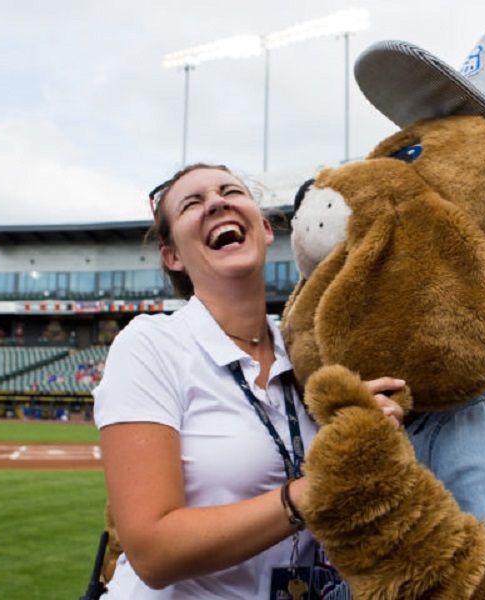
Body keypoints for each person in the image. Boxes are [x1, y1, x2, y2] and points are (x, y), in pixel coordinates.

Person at [93, 164, 405, 599]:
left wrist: (366, 430)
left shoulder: (308, 353)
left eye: (229, 191)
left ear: (263, 227)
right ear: (173, 257)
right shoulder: (152, 345)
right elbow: (153, 552)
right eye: (192, 203)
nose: (217, 202)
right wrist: (312, 492)